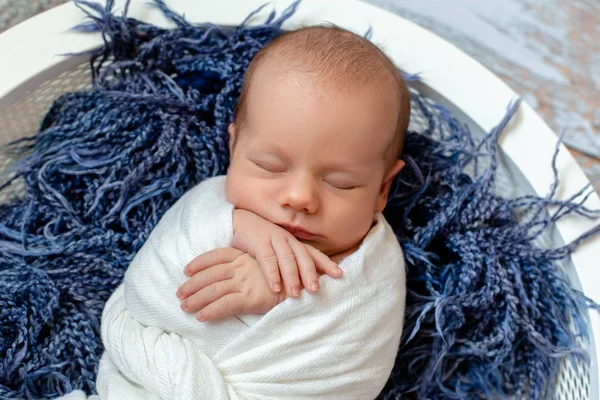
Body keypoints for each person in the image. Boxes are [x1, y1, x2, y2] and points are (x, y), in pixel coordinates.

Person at [62, 24, 411, 400]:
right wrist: (234, 223)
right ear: (234, 149)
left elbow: (353, 367)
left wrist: (283, 292)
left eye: (340, 182)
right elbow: (147, 294)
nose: (298, 197)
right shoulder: (211, 208)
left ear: (382, 190)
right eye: (270, 165)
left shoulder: (374, 273)